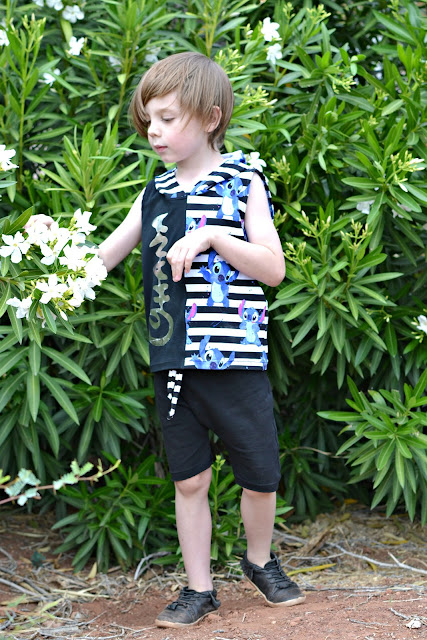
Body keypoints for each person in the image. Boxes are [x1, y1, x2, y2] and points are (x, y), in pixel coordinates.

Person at [28, 51, 305, 628]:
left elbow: (274, 268)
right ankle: (199, 590)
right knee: (190, 479)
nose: (153, 131)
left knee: (260, 477)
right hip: (173, 360)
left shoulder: (243, 181)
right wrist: (50, 252)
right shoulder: (153, 193)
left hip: (235, 361)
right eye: (147, 120)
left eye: (167, 118)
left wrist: (213, 237)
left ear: (210, 117)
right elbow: (103, 258)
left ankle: (260, 560)